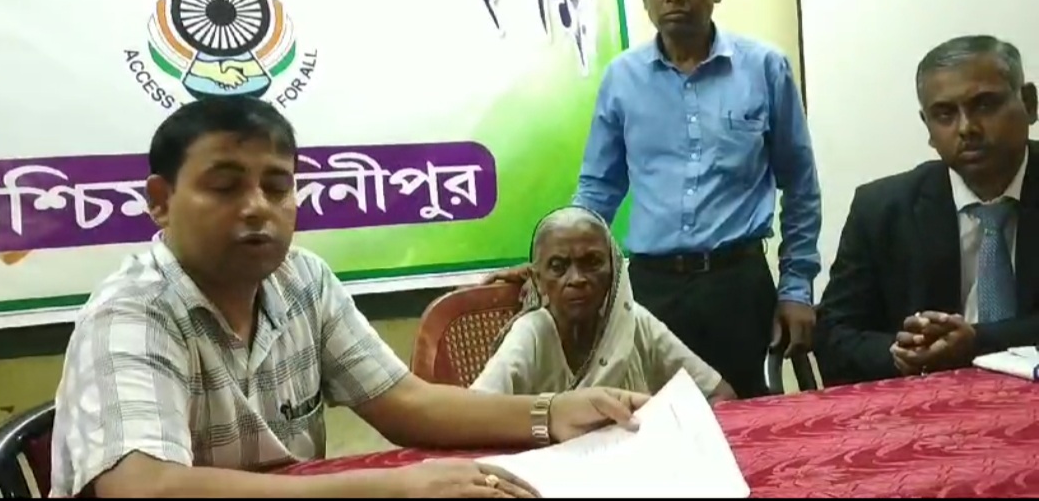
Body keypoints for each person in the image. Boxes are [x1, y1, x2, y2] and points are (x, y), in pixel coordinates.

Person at [49, 97, 650, 498]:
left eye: (277, 186)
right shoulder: (134, 311)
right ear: (160, 201)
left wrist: (552, 413)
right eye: (226, 186)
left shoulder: (302, 280)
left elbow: (407, 403)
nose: (257, 206)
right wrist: (392, 489)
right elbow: (145, 488)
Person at [485, 0, 822, 399]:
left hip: (738, 286)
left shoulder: (765, 69)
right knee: (652, 418)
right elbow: (597, 191)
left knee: (745, 415)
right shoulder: (622, 79)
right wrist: (548, 260)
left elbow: (801, 187)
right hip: (650, 291)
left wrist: (796, 288)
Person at [814, 35, 1039, 386]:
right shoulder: (882, 210)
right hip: (927, 403)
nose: (967, 128)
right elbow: (834, 334)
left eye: (984, 105)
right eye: (945, 114)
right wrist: (900, 352)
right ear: (928, 128)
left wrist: (977, 343)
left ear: (1029, 104)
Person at [471, 206, 736, 403]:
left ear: (614, 271)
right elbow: (477, 411)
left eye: (592, 263)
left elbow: (719, 394)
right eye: (558, 266)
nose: (577, 279)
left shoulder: (634, 322)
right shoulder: (532, 333)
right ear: (538, 280)